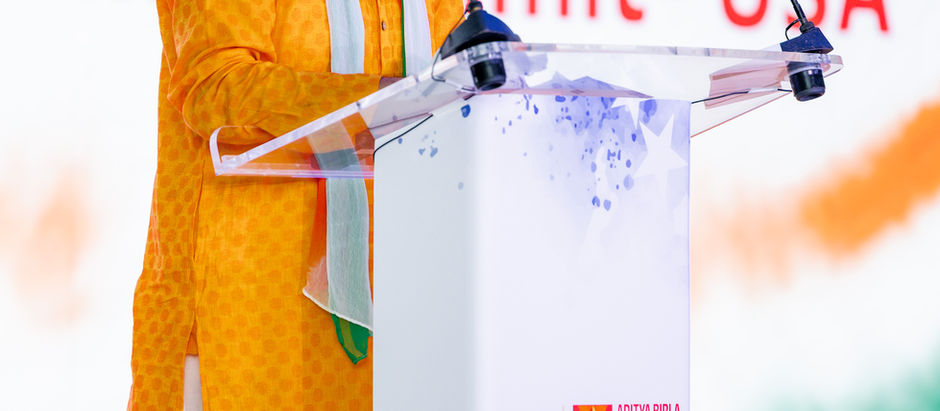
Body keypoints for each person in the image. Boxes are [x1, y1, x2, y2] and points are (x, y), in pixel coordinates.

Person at [129, 1, 462, 409]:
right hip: (248, 318)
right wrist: (384, 101)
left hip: (400, 308)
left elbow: (455, 93)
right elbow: (217, 85)